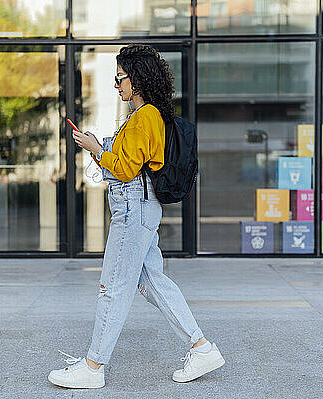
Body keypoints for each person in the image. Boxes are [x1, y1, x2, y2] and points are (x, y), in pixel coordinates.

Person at [48, 44, 224, 389]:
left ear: (138, 79)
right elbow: (128, 162)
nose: (117, 85)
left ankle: (93, 366)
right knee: (150, 281)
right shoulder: (148, 115)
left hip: (133, 207)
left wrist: (95, 148)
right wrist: (101, 147)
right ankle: (201, 348)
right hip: (138, 206)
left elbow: (126, 169)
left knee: (113, 286)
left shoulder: (145, 117)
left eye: (120, 78)